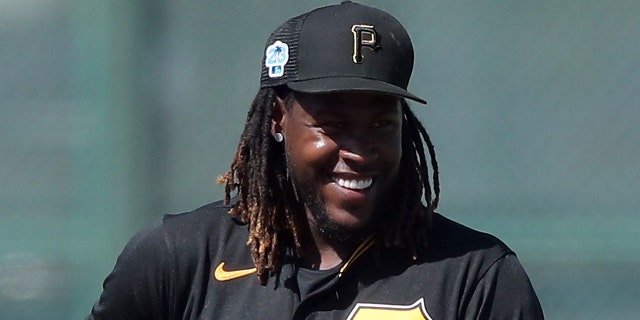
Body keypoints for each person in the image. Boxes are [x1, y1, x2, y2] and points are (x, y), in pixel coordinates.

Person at [87, 1, 544, 319]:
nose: (359, 151)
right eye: (332, 124)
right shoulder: (178, 259)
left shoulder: (476, 276)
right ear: (279, 119)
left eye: (381, 125)